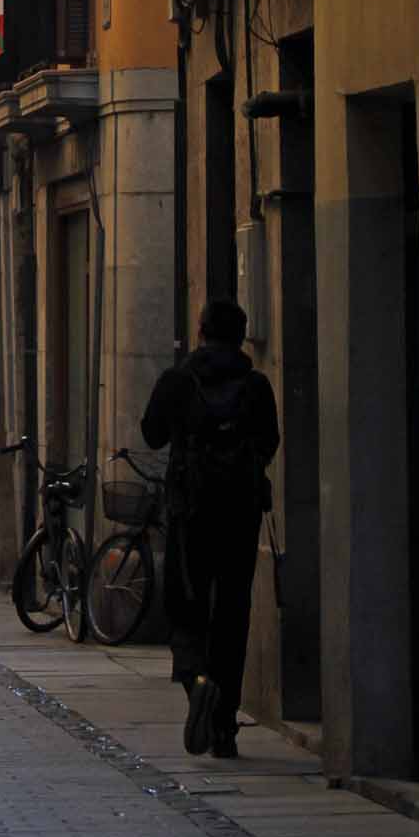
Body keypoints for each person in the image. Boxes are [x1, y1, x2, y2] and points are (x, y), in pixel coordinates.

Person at [141, 300, 280, 760]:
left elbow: (152, 434)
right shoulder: (256, 386)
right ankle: (225, 727)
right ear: (241, 336)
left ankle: (198, 683)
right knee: (233, 613)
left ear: (200, 331)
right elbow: (268, 444)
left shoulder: (179, 382)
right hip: (240, 517)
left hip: (190, 515)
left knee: (186, 606)